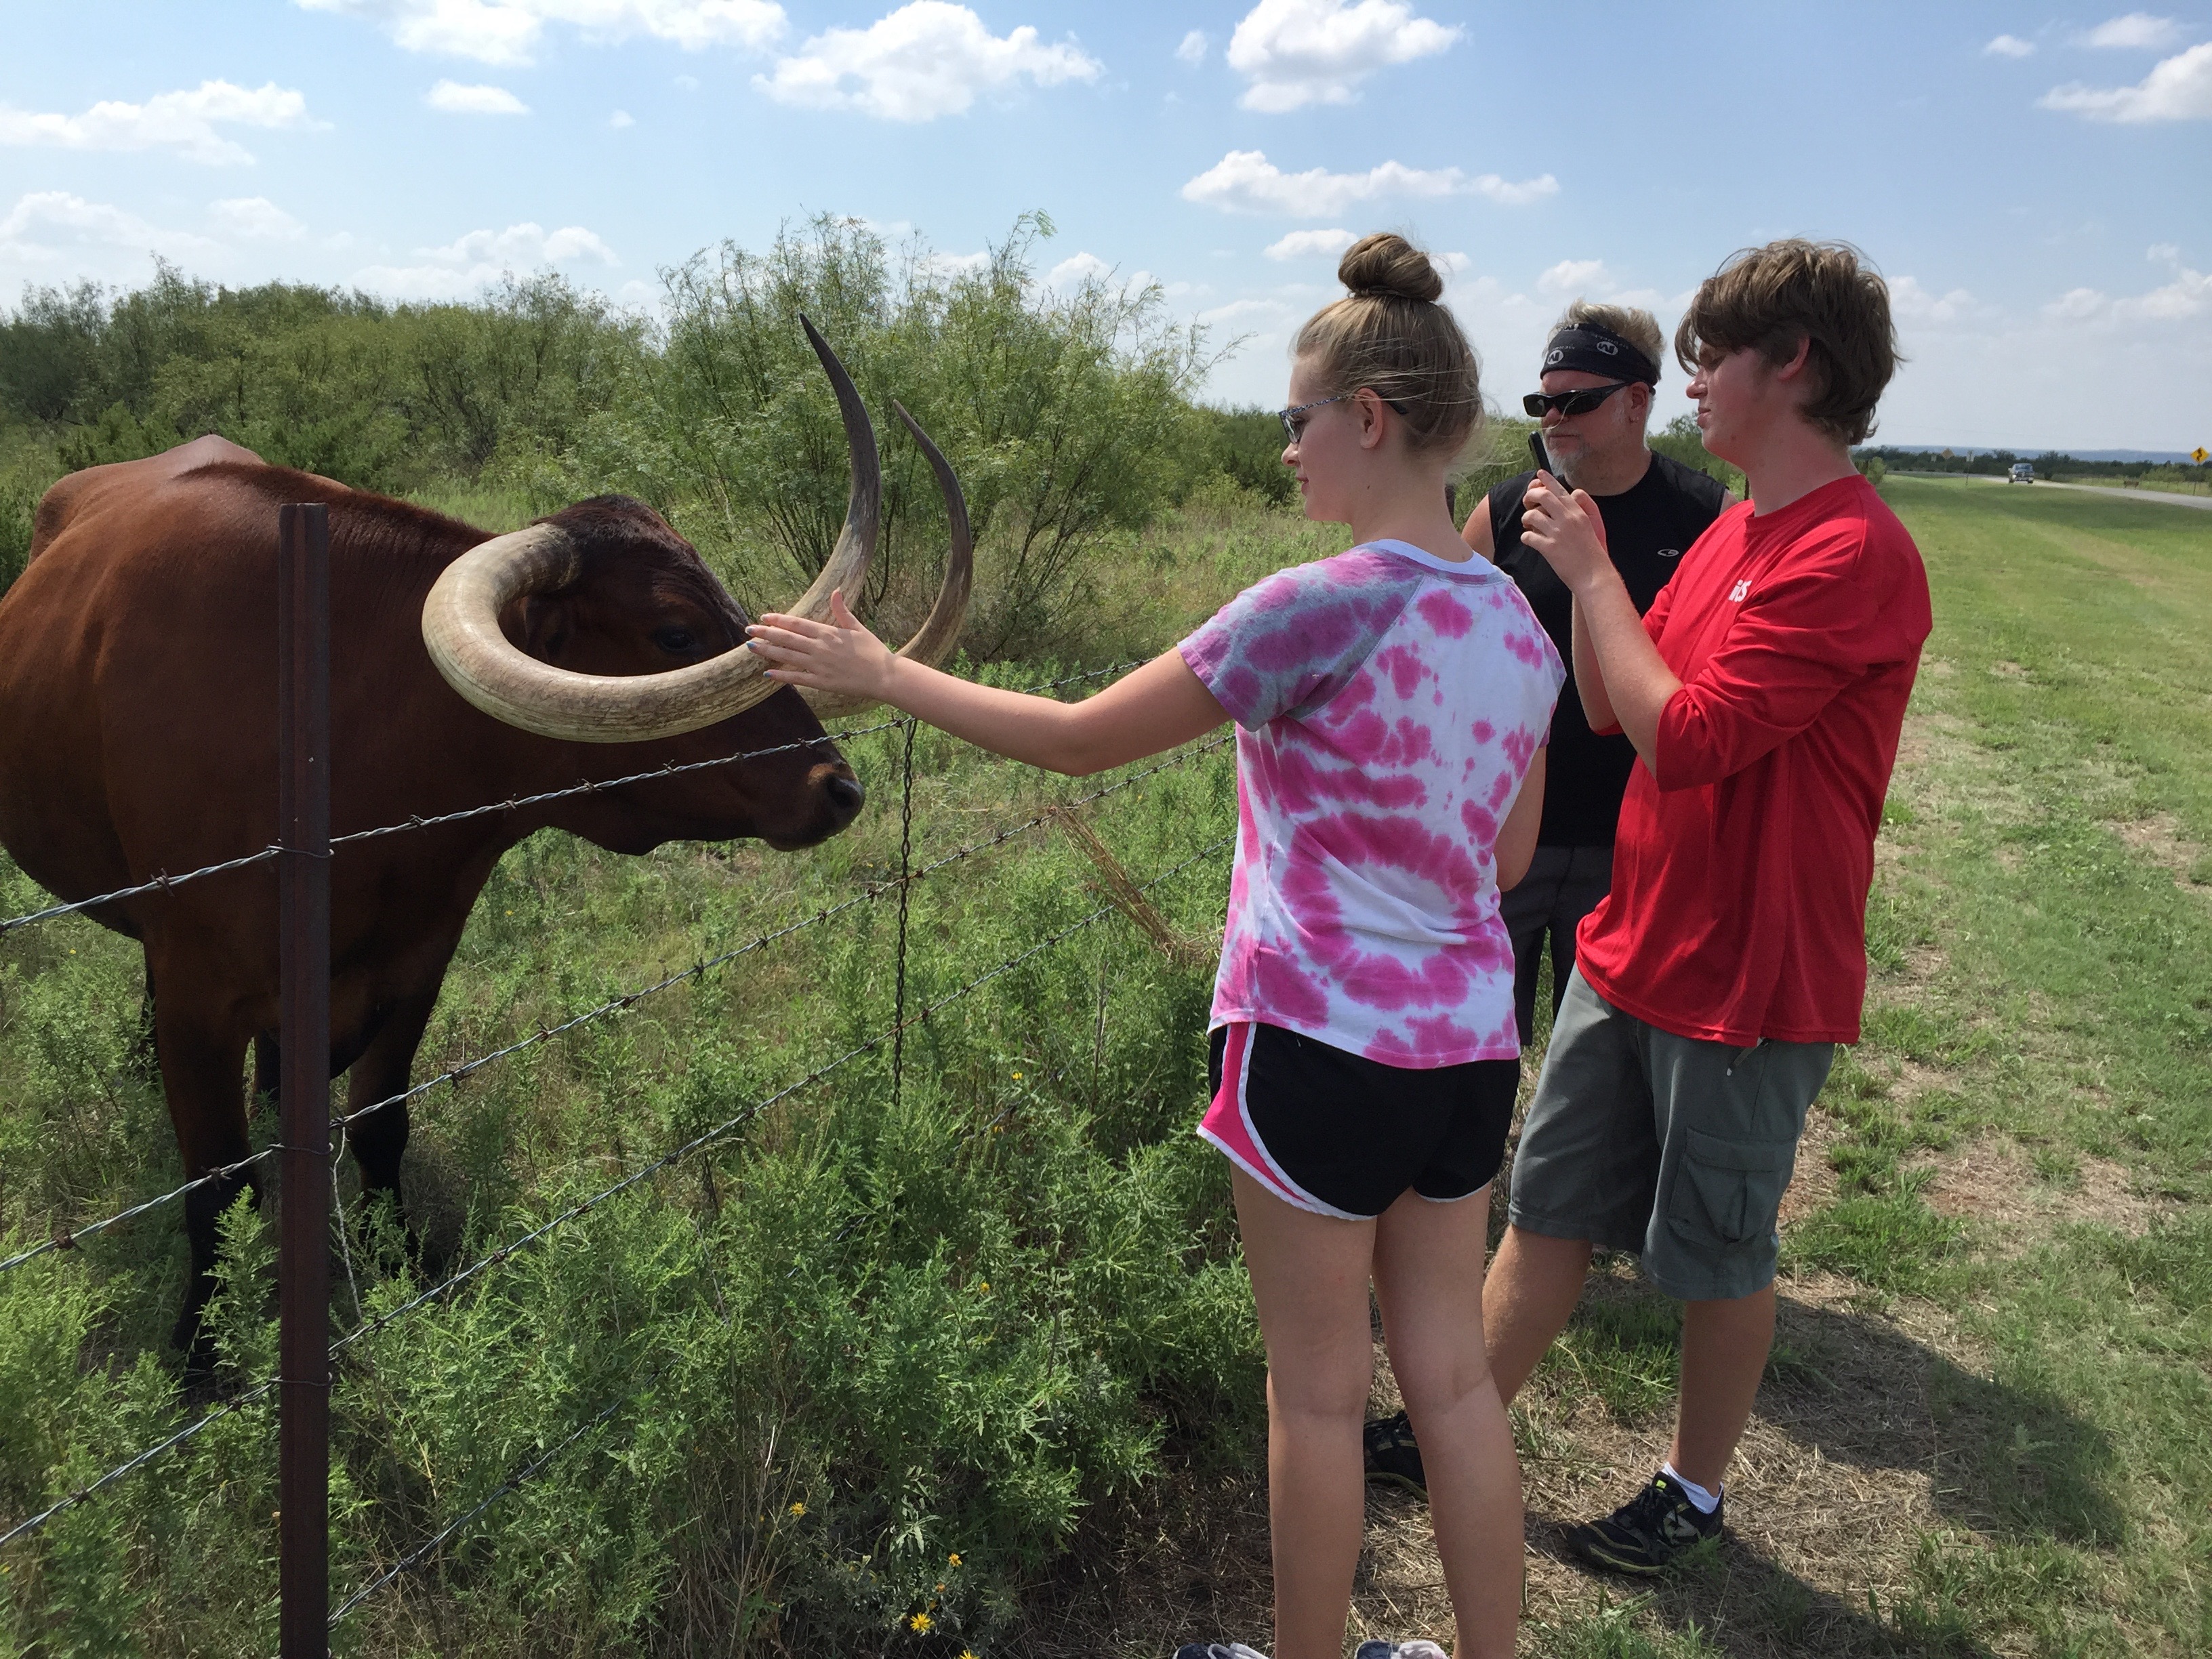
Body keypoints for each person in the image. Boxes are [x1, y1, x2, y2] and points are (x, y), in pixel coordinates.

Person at [745, 233, 1563, 1659]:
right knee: (1451, 1386)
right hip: (1471, 1050)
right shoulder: (1518, 624)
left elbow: (1074, 745)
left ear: (1366, 420)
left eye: (1297, 420)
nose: (1287, 452)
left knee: (1315, 1397)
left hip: (1314, 1048)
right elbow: (1501, 862)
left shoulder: (1311, 607)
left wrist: (879, 673)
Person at [1487, 239, 1931, 1575]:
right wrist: (1584, 568)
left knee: (1718, 1253)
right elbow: (1605, 701)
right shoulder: (1735, 528)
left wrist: (1601, 575)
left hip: (1751, 973)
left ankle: (1692, 1489)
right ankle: (1450, 1420)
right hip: (1638, 940)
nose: (1688, 392)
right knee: (1550, 1207)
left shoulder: (1850, 552)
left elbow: (1685, 738)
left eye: (1704, 362)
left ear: (1790, 362)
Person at [1361, 302, 1731, 1503]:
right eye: (1540, 402)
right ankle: (1458, 1235)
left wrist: (1598, 570)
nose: (1554, 424)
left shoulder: (1700, 517)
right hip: (1500, 841)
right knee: (1486, 1047)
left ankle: (1584, 1240)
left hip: (1629, 846)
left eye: (1577, 401)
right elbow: (1443, 621)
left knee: (1594, 1062)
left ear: (1638, 404)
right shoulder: (1505, 508)